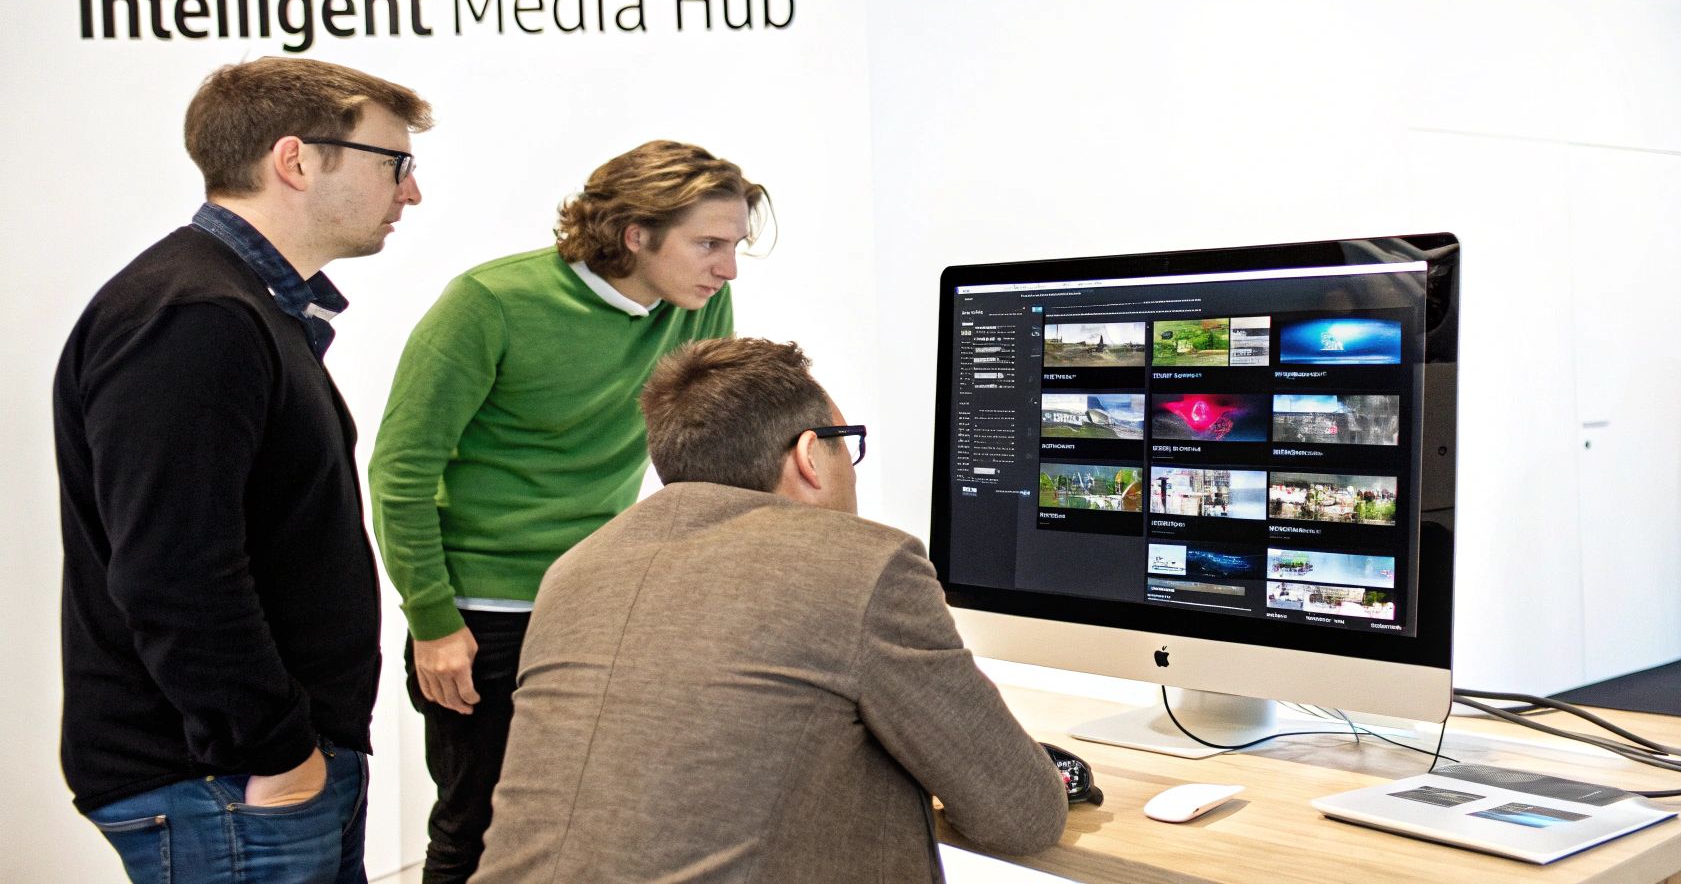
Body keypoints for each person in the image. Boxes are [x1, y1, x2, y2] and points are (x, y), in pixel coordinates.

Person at [472, 337, 1069, 883]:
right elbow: (1021, 816)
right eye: (846, 445)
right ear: (810, 455)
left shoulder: (577, 568)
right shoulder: (859, 563)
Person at [54, 57, 432, 884]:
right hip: (227, 780)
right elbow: (175, 571)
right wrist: (276, 751)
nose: (411, 192)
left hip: (246, 774)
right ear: (294, 160)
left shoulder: (237, 305)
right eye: (393, 163)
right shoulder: (195, 315)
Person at [368, 141, 767, 882]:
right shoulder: (489, 302)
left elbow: (710, 451)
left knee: (601, 827)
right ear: (636, 235)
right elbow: (401, 473)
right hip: (482, 615)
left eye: (735, 246)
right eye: (709, 245)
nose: (728, 269)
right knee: (476, 831)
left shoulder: (698, 303)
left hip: (600, 598)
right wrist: (432, 620)